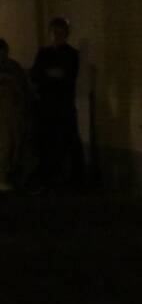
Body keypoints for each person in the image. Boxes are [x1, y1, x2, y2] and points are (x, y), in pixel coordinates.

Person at [30, 17, 84, 188]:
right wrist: (50, 75)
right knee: (46, 138)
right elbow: (35, 75)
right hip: (47, 104)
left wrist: (48, 75)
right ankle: (48, 174)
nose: (56, 36)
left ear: (65, 35)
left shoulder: (71, 54)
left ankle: (76, 177)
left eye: (60, 33)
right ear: (49, 34)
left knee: (70, 138)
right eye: (54, 32)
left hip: (64, 103)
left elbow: (67, 76)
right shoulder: (44, 53)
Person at [0, 38, 31, 191]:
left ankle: (13, 176)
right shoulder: (11, 68)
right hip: (4, 113)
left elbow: (23, 87)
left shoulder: (14, 67)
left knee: (16, 144)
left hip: (15, 111)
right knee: (5, 145)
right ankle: (3, 177)